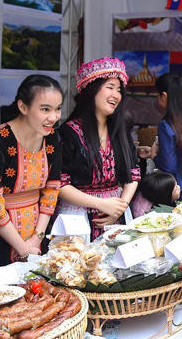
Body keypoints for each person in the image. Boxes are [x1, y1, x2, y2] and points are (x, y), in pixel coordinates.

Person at [0, 75, 63, 267]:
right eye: (45, 109)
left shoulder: (53, 138)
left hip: (36, 232)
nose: (54, 117)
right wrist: (22, 247)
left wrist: (36, 239)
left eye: (58, 109)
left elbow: (52, 189)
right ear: (23, 107)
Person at [58, 57, 139, 239]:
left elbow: (133, 172)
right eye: (110, 87)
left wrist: (121, 206)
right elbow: (59, 183)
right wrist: (100, 204)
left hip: (116, 216)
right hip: (78, 217)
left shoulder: (119, 130)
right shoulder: (69, 132)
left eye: (119, 90)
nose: (116, 95)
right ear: (91, 90)